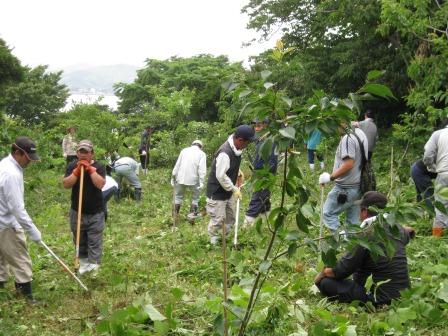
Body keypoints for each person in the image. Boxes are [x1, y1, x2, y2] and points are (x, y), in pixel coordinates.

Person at [314, 191, 415, 306]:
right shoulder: (397, 228)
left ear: (364, 211)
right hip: (404, 295)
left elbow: (342, 270)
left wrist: (322, 274)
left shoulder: (365, 234)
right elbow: (410, 232)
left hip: (379, 298)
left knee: (326, 283)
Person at [0, 136, 42, 301]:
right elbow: (17, 208)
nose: (30, 161)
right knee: (20, 260)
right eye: (27, 157)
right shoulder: (11, 174)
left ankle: (2, 295)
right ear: (17, 153)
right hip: (7, 225)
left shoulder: (4, 164)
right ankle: (27, 300)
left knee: (1, 259)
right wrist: (32, 231)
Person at [206, 125, 255, 245]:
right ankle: (213, 242)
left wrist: (237, 172)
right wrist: (234, 189)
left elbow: (229, 166)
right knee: (218, 219)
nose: (247, 145)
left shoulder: (237, 149)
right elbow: (220, 175)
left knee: (230, 217)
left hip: (228, 192)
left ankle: (224, 239)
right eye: (247, 143)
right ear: (240, 140)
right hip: (217, 192)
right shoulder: (225, 152)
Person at [63, 140, 106, 275]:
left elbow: (100, 184)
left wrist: (90, 169)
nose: (83, 155)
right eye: (81, 152)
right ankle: (82, 263)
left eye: (86, 152)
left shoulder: (99, 166)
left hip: (96, 212)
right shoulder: (71, 166)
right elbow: (66, 184)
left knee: (94, 240)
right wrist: (76, 171)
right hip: (77, 211)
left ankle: (94, 266)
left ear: (91, 154)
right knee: (79, 238)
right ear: (77, 153)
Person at [319, 124, 368, 231]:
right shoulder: (360, 133)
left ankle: (342, 243)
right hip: (359, 186)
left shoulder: (347, 138)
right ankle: (352, 246)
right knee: (353, 223)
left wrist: (330, 177)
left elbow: (348, 164)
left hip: (345, 188)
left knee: (327, 213)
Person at [244, 118, 278, 225]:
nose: (256, 128)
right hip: (258, 172)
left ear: (266, 126)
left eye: (259, 125)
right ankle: (266, 218)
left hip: (265, 173)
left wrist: (264, 175)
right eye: (255, 125)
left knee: (258, 196)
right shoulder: (259, 138)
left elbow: (272, 161)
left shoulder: (270, 141)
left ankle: (248, 222)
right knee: (265, 196)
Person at [423, 121, 448, 237]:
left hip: (443, 175)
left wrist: (432, 167)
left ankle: (436, 239)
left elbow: (428, 155)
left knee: (440, 208)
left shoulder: (438, 134)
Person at [171, 140, 207, 218]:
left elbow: (177, 165)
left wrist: (173, 176)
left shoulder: (184, 151)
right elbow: (202, 170)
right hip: (194, 179)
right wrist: (202, 182)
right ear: (201, 147)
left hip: (180, 177)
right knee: (195, 198)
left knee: (177, 196)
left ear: (192, 144)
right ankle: (191, 217)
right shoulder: (202, 154)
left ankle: (174, 216)